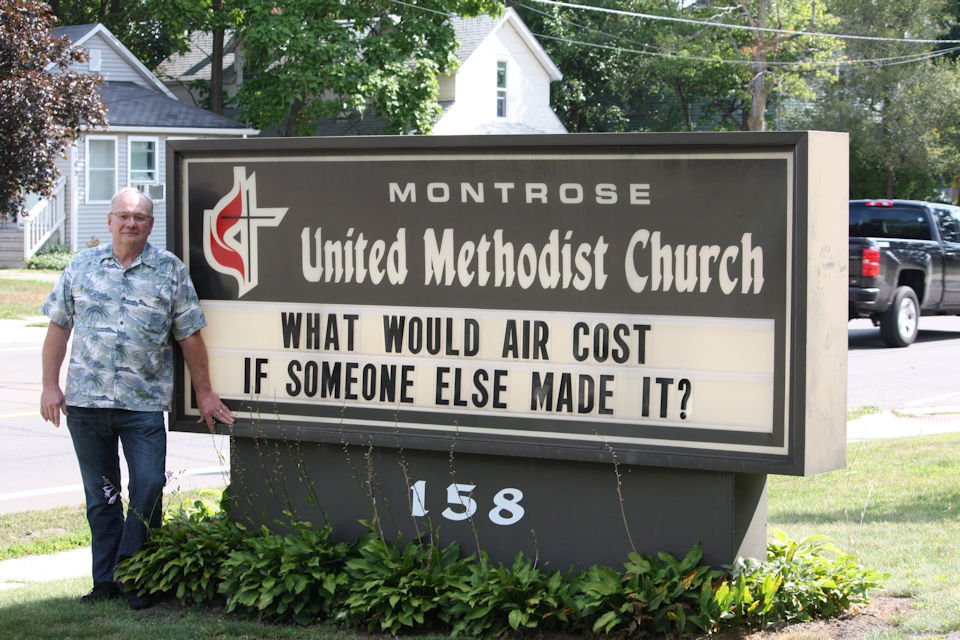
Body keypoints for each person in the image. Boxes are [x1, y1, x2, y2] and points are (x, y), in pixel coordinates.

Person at [39, 187, 235, 609]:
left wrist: (204, 392)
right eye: (124, 216)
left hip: (142, 404)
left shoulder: (168, 270)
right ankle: (104, 581)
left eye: (140, 217)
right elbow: (58, 327)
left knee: (148, 486)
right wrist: (50, 385)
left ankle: (136, 573)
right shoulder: (81, 266)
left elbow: (190, 335)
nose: (131, 223)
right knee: (102, 495)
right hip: (87, 404)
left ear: (150, 225)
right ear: (109, 221)